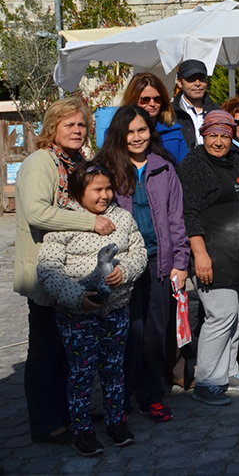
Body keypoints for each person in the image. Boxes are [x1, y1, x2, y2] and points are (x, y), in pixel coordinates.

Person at [15, 98, 113, 446]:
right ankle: (46, 422)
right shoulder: (39, 163)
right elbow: (39, 213)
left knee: (77, 347)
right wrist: (91, 222)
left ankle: (74, 408)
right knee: (47, 348)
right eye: (69, 124)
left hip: (78, 271)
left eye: (82, 125)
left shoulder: (79, 163)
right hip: (46, 270)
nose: (77, 130)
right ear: (52, 127)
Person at [36, 164, 147, 456]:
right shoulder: (64, 222)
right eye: (97, 189)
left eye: (108, 188)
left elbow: (139, 252)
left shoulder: (122, 218)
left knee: (113, 369)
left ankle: (116, 422)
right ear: (77, 191)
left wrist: (125, 271)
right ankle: (82, 431)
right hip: (77, 316)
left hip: (116, 310)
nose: (105, 195)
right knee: (81, 374)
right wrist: (76, 296)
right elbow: (48, 271)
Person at [94, 106, 190, 423]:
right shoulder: (106, 170)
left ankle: (151, 397)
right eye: (130, 132)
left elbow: (177, 220)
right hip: (122, 266)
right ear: (120, 135)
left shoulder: (164, 168)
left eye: (142, 131)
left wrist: (181, 261)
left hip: (158, 264)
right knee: (126, 333)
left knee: (154, 334)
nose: (136, 138)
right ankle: (119, 399)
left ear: (151, 132)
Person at [178, 110, 239, 404]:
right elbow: (189, 213)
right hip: (213, 255)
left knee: (237, 318)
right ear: (203, 134)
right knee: (220, 317)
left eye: (224, 136)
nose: (218, 141)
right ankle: (207, 381)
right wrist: (199, 254)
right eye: (212, 135)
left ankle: (228, 371)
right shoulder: (193, 166)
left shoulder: (235, 160)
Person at [122, 72, 188, 165]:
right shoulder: (117, 132)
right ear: (133, 100)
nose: (152, 104)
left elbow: (186, 170)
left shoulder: (174, 132)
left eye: (157, 99)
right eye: (145, 99)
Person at [172, 60, 217, 150]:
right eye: (191, 79)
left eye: (202, 78)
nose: (197, 84)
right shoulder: (170, 113)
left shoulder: (217, 112)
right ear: (180, 82)